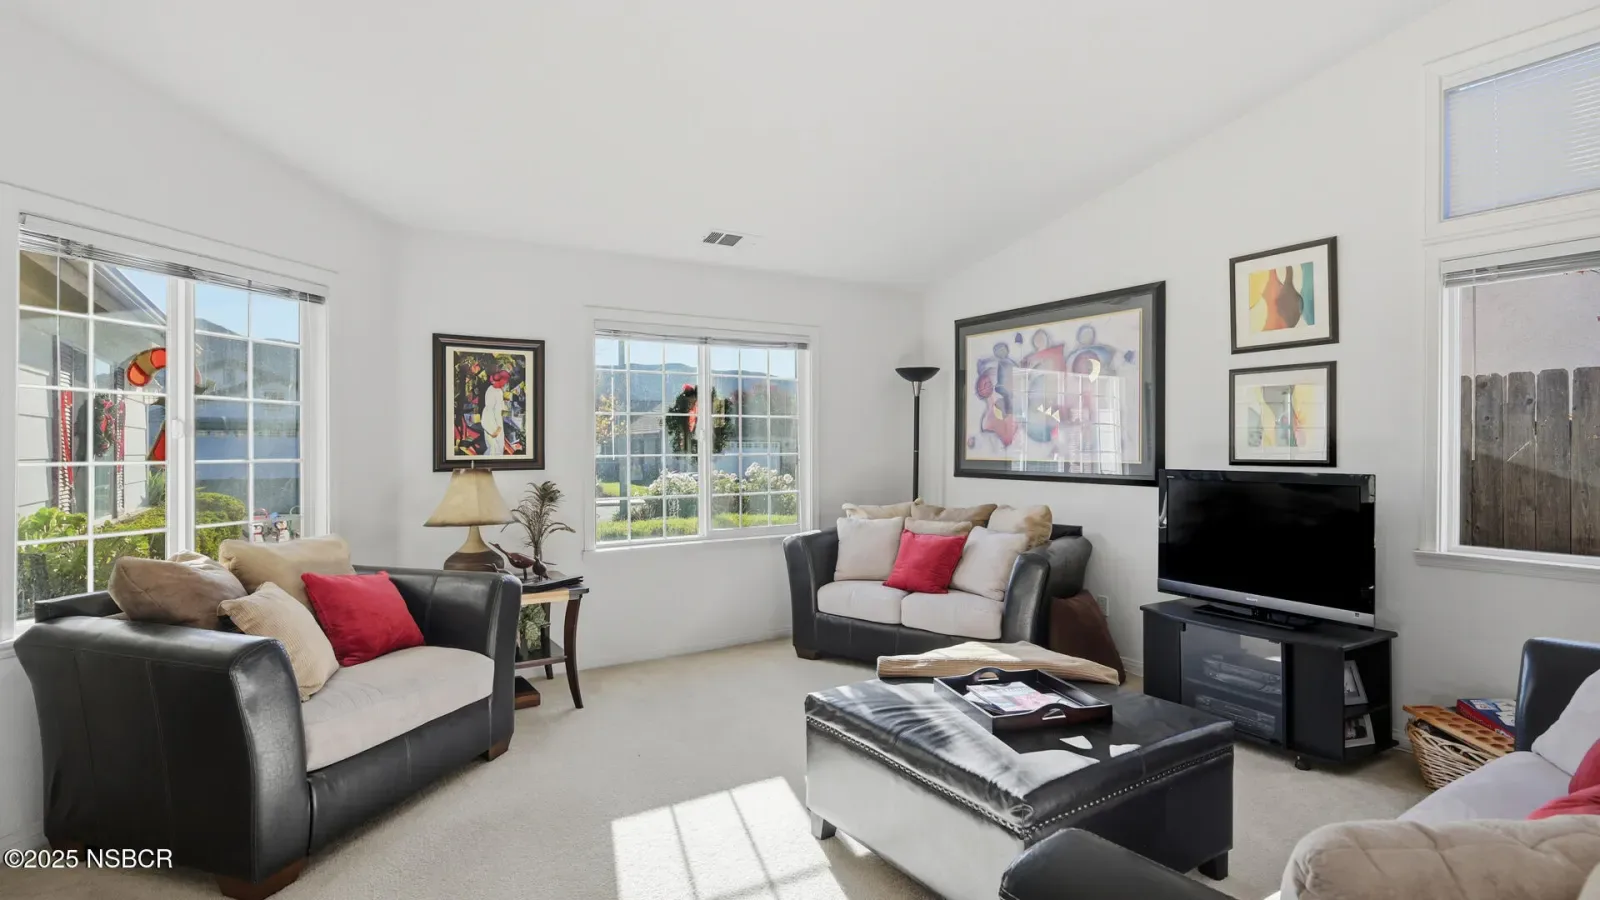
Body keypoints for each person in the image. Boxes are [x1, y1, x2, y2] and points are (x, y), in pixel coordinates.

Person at [482, 369, 511, 456]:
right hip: (493, 427)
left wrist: (509, 415)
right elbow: (487, 412)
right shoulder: (491, 392)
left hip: (498, 426)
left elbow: (500, 408)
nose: (506, 383)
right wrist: (493, 430)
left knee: (499, 449)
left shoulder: (499, 391)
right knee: (493, 451)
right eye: (505, 381)